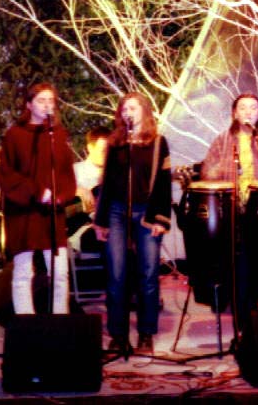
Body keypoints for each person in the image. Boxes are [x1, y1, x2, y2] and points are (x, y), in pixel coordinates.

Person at [200, 93, 258, 330]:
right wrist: (222, 168)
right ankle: (244, 324)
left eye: (253, 108)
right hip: (232, 212)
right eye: (243, 108)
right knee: (240, 267)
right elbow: (207, 171)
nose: (248, 112)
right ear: (234, 113)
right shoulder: (222, 141)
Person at [93, 92, 172, 356]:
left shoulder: (158, 142)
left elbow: (163, 183)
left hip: (147, 213)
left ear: (144, 111)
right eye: (124, 108)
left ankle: (146, 333)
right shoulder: (115, 143)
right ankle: (118, 335)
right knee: (116, 275)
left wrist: (161, 219)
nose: (128, 112)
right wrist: (100, 221)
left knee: (148, 274)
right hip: (116, 212)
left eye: (133, 108)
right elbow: (106, 183)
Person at [0, 82, 76, 315]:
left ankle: (60, 319)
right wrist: (37, 191)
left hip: (51, 212)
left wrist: (61, 195)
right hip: (24, 212)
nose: (47, 105)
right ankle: (26, 321)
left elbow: (66, 173)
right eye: (41, 100)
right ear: (29, 105)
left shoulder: (58, 135)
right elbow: (7, 174)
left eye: (51, 100)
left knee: (59, 271)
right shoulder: (15, 135)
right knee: (24, 271)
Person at [74, 126, 111, 214]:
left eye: (110, 150)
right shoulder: (74, 171)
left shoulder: (120, 175)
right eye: (103, 150)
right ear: (90, 148)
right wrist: (77, 190)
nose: (108, 154)